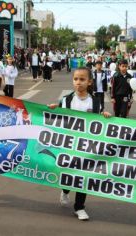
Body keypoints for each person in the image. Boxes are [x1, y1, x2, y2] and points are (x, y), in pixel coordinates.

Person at [48, 67, 111, 221]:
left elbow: (100, 122)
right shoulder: (67, 100)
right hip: (69, 145)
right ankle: (65, 190)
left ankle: (79, 207)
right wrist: (54, 109)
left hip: (87, 147)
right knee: (69, 175)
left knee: (84, 176)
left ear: (89, 82)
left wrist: (105, 115)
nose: (78, 82)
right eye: (76, 79)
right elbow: (60, 119)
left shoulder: (95, 102)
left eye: (82, 79)